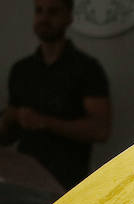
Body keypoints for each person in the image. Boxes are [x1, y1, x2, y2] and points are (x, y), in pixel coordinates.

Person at [0, 0, 111, 191]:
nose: (44, 18)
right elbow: (11, 134)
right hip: (21, 183)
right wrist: (9, 118)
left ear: (68, 17)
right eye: (39, 11)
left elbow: (100, 130)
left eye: (53, 12)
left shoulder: (86, 68)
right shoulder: (21, 70)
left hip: (66, 184)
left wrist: (45, 122)